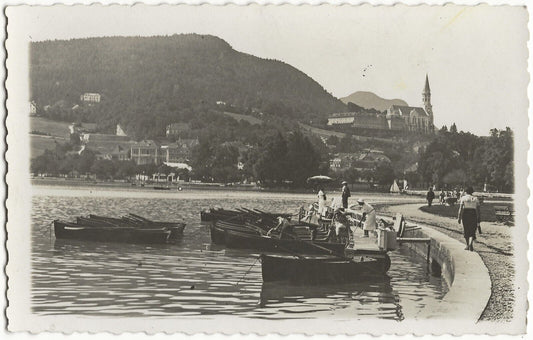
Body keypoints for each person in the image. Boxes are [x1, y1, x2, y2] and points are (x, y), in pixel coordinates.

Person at [458, 186, 481, 251]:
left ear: (466, 192)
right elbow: (478, 210)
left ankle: (467, 245)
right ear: (472, 192)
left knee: (466, 229)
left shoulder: (463, 198)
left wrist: (459, 217)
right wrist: (479, 218)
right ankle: (471, 244)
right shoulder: (476, 199)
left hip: (465, 214)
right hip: (473, 214)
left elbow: (460, 209)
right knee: (472, 230)